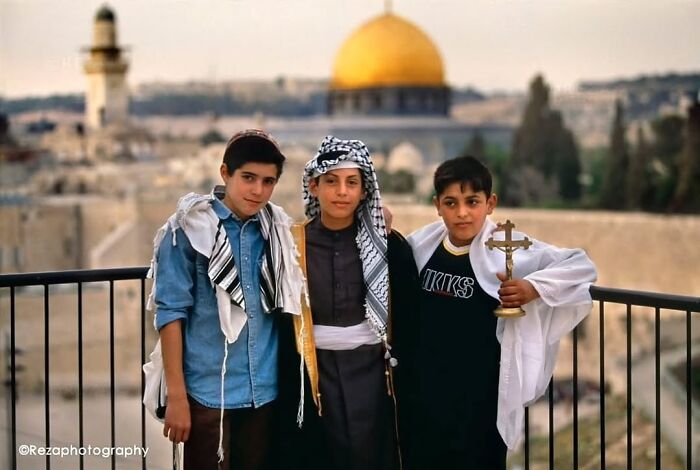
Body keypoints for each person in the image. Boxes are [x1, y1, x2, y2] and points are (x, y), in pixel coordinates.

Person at [402, 155, 597, 470]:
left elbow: (580, 265)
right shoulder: (422, 244)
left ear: (490, 203)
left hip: (479, 401)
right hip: (424, 397)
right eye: (451, 203)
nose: (462, 212)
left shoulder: (507, 247)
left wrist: (533, 287)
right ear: (437, 205)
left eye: (472, 201)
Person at [148, 129, 304, 470]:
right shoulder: (187, 231)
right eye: (248, 178)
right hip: (207, 394)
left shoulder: (276, 231)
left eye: (268, 181)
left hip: (264, 392)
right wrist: (177, 398)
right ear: (225, 174)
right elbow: (171, 314)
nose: (258, 190)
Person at [276, 135, 418, 470]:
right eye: (332, 182)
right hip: (313, 376)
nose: (342, 192)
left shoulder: (389, 246)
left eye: (352, 183)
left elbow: (411, 321)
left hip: (374, 378)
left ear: (364, 190)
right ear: (314, 187)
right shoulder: (292, 245)